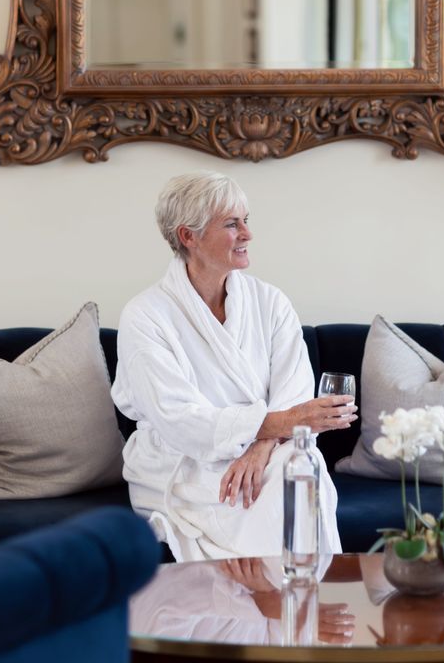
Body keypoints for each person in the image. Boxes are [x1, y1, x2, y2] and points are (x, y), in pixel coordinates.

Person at [111, 171, 357, 561]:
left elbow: (292, 391)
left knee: (303, 464)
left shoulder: (270, 302)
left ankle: (304, 591)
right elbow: (178, 419)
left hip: (265, 448)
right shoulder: (146, 315)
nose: (247, 233)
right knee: (281, 480)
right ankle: (272, 603)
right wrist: (283, 424)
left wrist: (261, 447)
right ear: (188, 236)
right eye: (231, 223)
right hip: (183, 462)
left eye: (246, 220)